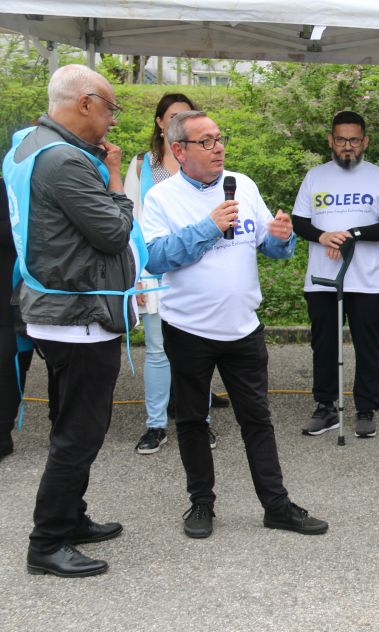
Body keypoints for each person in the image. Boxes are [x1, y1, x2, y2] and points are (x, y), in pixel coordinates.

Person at [141, 110, 328, 539]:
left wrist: (282, 237)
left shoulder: (242, 184)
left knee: (257, 419)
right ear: (179, 151)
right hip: (188, 330)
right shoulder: (161, 198)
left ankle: (276, 506)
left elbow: (270, 247)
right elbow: (155, 257)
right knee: (192, 420)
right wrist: (207, 228)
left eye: (219, 138)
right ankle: (201, 505)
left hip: (244, 328)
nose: (218, 147)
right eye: (205, 142)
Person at [4, 65, 135, 577]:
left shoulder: (27, 145)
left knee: (69, 424)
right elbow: (113, 231)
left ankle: (72, 517)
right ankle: (48, 541)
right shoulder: (64, 161)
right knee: (79, 433)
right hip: (76, 315)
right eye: (110, 108)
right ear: (84, 103)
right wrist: (118, 183)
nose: (112, 120)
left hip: (54, 310)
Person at [292, 111, 379, 439]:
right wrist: (323, 236)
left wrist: (350, 233)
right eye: (341, 139)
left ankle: (366, 408)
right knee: (323, 344)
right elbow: (300, 221)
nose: (348, 146)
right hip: (322, 279)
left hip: (365, 281)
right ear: (331, 140)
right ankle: (325, 406)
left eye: (354, 140)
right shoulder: (315, 177)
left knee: (367, 345)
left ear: (364, 141)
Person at [123, 93, 215, 455]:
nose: (181, 121)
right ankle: (156, 425)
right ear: (161, 122)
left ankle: (200, 421)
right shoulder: (141, 166)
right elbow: (131, 224)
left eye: (188, 115)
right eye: (174, 116)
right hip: (155, 270)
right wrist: (135, 278)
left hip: (198, 271)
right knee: (159, 351)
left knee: (201, 349)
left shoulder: (205, 164)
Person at [0, 177, 33, 462]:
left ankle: (2, 432)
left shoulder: (11, 186)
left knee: (9, 359)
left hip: (18, 288)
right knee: (8, 360)